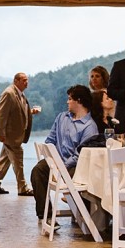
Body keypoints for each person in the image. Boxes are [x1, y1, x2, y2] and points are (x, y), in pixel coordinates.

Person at [30, 85, 98, 223]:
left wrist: (61, 167)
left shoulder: (90, 127)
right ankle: (46, 216)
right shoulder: (62, 117)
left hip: (76, 167)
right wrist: (52, 160)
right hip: (56, 162)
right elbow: (50, 140)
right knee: (37, 170)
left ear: (78, 101)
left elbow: (81, 155)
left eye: (69, 99)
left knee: (73, 172)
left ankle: (82, 214)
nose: (67, 102)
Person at [0, 72, 40, 196]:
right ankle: (23, 188)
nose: (26, 83)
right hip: (11, 135)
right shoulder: (9, 93)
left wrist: (31, 111)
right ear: (16, 81)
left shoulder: (19, 94)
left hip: (15, 135)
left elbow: (18, 111)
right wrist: (0, 133)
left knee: (5, 159)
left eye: (27, 80)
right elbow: (1, 114)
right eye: (24, 80)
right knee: (18, 159)